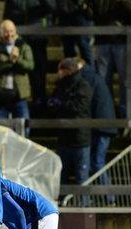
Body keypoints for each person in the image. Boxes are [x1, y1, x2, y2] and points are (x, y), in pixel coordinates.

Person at [0, 0, 56, 111]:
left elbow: (52, 7)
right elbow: (7, 14)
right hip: (19, 39)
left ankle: (39, 103)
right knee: (20, 70)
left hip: (38, 37)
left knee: (38, 73)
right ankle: (20, 103)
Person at [88, 0, 131, 119]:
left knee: (126, 81)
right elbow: (95, 12)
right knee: (104, 81)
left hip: (123, 39)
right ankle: (107, 115)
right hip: (103, 39)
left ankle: (126, 116)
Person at [47, 58, 93, 188]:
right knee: (62, 174)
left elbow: (80, 107)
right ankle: (61, 202)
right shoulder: (61, 85)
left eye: (60, 70)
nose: (58, 73)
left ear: (67, 71)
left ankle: (83, 205)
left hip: (80, 138)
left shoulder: (83, 85)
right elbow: (54, 101)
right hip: (64, 137)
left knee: (81, 176)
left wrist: (61, 104)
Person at [77, 58, 116, 203]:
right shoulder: (92, 75)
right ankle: (107, 197)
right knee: (96, 161)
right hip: (104, 124)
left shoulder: (87, 77)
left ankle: (109, 197)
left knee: (97, 162)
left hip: (101, 126)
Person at [0, 20, 34, 121]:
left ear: (15, 31)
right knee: (0, 126)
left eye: (11, 31)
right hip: (1, 93)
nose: (9, 34)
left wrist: (17, 60)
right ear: (0, 33)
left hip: (20, 93)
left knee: (24, 125)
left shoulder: (24, 46)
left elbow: (30, 66)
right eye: (6, 31)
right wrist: (11, 60)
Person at [56, 0, 93, 66]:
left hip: (81, 15)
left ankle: (89, 73)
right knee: (68, 49)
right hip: (64, 16)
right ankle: (71, 73)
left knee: (83, 46)